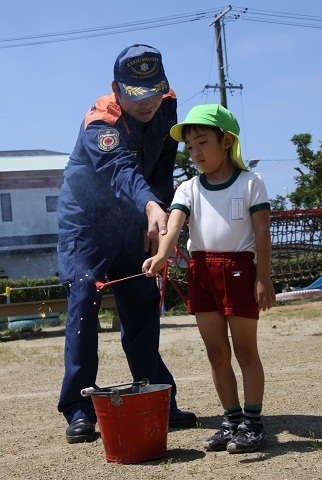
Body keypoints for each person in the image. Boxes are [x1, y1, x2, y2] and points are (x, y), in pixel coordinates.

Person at [57, 44, 197, 444]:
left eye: (154, 91)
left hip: (136, 216)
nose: (148, 102)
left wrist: (157, 213)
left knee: (141, 301)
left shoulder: (166, 105)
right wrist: (152, 206)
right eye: (137, 95)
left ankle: (157, 398)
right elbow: (120, 169)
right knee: (83, 299)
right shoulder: (101, 121)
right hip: (86, 222)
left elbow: (162, 164)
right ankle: (79, 408)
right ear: (116, 89)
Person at [142, 104, 276, 454]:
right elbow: (174, 227)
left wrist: (264, 278)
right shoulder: (187, 188)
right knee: (216, 352)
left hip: (238, 271)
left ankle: (253, 423)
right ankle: (231, 421)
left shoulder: (251, 183)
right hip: (201, 272)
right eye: (190, 147)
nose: (195, 152)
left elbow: (262, 233)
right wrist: (161, 255)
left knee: (246, 350)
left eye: (202, 142)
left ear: (227, 140)